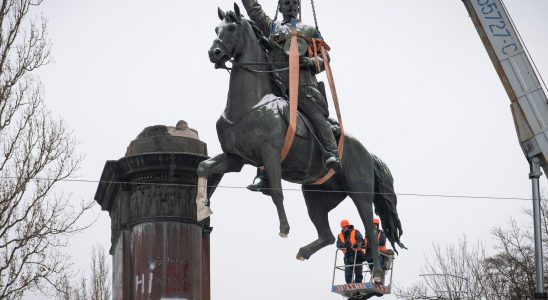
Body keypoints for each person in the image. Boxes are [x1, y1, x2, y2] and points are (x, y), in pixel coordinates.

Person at [242, 0, 342, 194]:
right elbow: (254, 10)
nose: (290, 7)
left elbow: (325, 59)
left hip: (303, 86)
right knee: (262, 123)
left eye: (294, 3)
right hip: (277, 86)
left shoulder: (309, 30)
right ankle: (264, 176)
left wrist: (309, 62)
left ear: (299, 7)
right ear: (280, 7)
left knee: (314, 114)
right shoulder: (272, 27)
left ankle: (332, 153)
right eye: (286, 3)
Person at [336, 219, 365, 284]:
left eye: (345, 226)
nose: (344, 228)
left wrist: (356, 245)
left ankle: (358, 283)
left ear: (348, 226)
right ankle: (349, 284)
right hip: (348, 256)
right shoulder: (340, 235)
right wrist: (344, 245)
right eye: (343, 227)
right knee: (347, 273)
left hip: (357, 254)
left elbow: (360, 240)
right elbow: (338, 244)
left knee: (358, 272)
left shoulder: (355, 231)